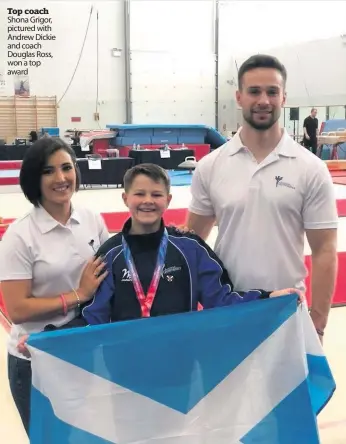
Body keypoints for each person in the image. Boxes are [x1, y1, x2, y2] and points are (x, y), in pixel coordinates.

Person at [185, 54, 338, 342]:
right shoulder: (211, 166)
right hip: (228, 309)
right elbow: (191, 244)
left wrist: (318, 320)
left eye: (272, 91)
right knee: (231, 389)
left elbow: (325, 250)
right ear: (239, 97)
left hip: (286, 310)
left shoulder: (310, 168)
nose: (263, 100)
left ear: (284, 97)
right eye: (254, 91)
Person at [75, 163, 301, 326]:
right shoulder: (110, 254)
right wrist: (51, 339)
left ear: (168, 200)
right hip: (124, 366)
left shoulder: (190, 249)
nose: (147, 201)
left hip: (182, 363)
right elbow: (94, 315)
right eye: (139, 194)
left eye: (156, 194)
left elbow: (221, 299)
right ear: (125, 198)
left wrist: (268, 298)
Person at [0, 138, 109, 435]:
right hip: (35, 359)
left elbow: (109, 278)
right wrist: (78, 295)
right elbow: (17, 309)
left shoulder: (91, 220)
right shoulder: (19, 236)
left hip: (80, 352)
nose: (61, 178)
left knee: (80, 437)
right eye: (49, 171)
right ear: (34, 178)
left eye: (66, 168)